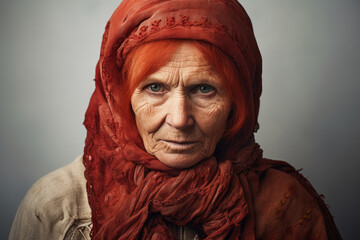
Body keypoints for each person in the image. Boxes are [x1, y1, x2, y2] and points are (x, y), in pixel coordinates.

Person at [9, 0, 342, 239]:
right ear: (121, 99)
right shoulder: (56, 209)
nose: (180, 119)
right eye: (155, 87)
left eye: (204, 89)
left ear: (237, 103)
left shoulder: (288, 207)